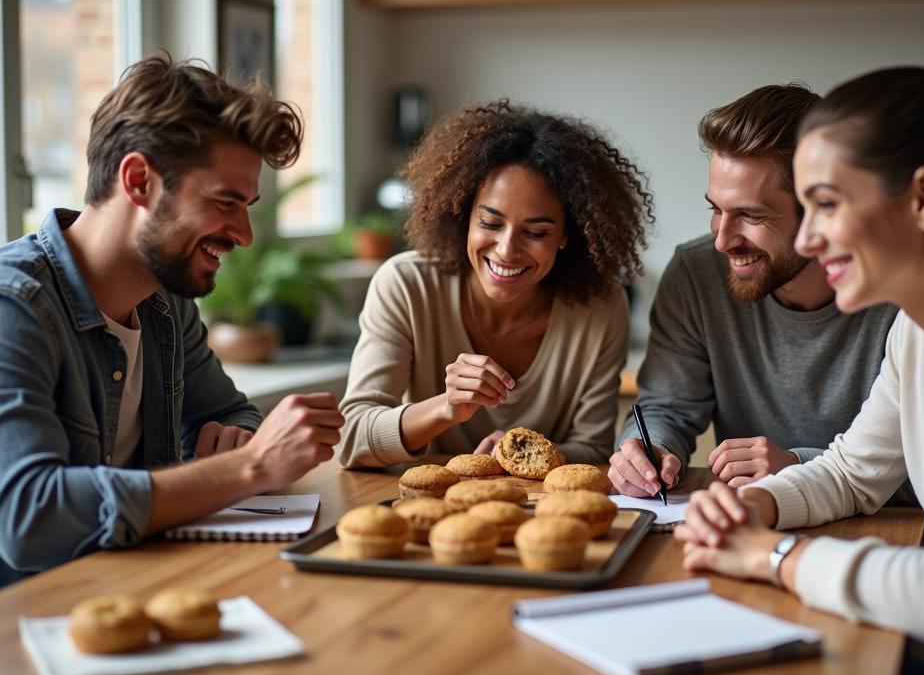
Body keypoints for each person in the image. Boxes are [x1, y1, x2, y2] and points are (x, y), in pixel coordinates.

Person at [675, 39, 924, 675]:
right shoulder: (916, 337)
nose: (806, 237)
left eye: (825, 205)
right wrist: (758, 505)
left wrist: (771, 556)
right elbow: (849, 472)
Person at [0, 53, 345, 584]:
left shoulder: (167, 300)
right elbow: (28, 517)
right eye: (226, 201)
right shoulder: (13, 306)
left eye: (247, 205)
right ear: (139, 181)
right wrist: (248, 467)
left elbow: (232, 413)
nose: (244, 234)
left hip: (137, 592)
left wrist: (238, 439)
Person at [610, 84, 898, 498]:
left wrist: (800, 466)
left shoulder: (899, 289)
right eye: (716, 209)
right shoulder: (696, 274)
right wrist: (649, 448)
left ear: (819, 209)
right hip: (754, 528)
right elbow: (667, 408)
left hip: (889, 536)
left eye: (750, 215)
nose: (723, 240)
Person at [338, 100, 654, 467]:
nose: (506, 250)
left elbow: (594, 448)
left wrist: (532, 451)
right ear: (464, 215)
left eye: (536, 232)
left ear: (567, 235)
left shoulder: (599, 306)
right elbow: (352, 438)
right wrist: (445, 407)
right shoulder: (407, 286)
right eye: (490, 223)